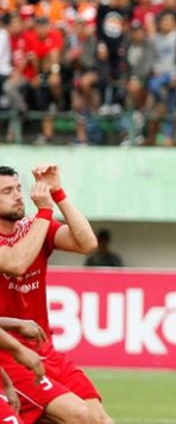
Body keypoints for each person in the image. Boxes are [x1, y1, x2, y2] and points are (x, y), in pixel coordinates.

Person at [0, 165, 113, 424]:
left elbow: (87, 243)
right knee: (79, 416)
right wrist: (45, 212)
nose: (19, 195)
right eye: (7, 191)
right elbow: (16, 262)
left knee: (99, 420)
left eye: (18, 188)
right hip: (7, 355)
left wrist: (59, 194)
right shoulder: (37, 224)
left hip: (44, 349)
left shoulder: (33, 225)